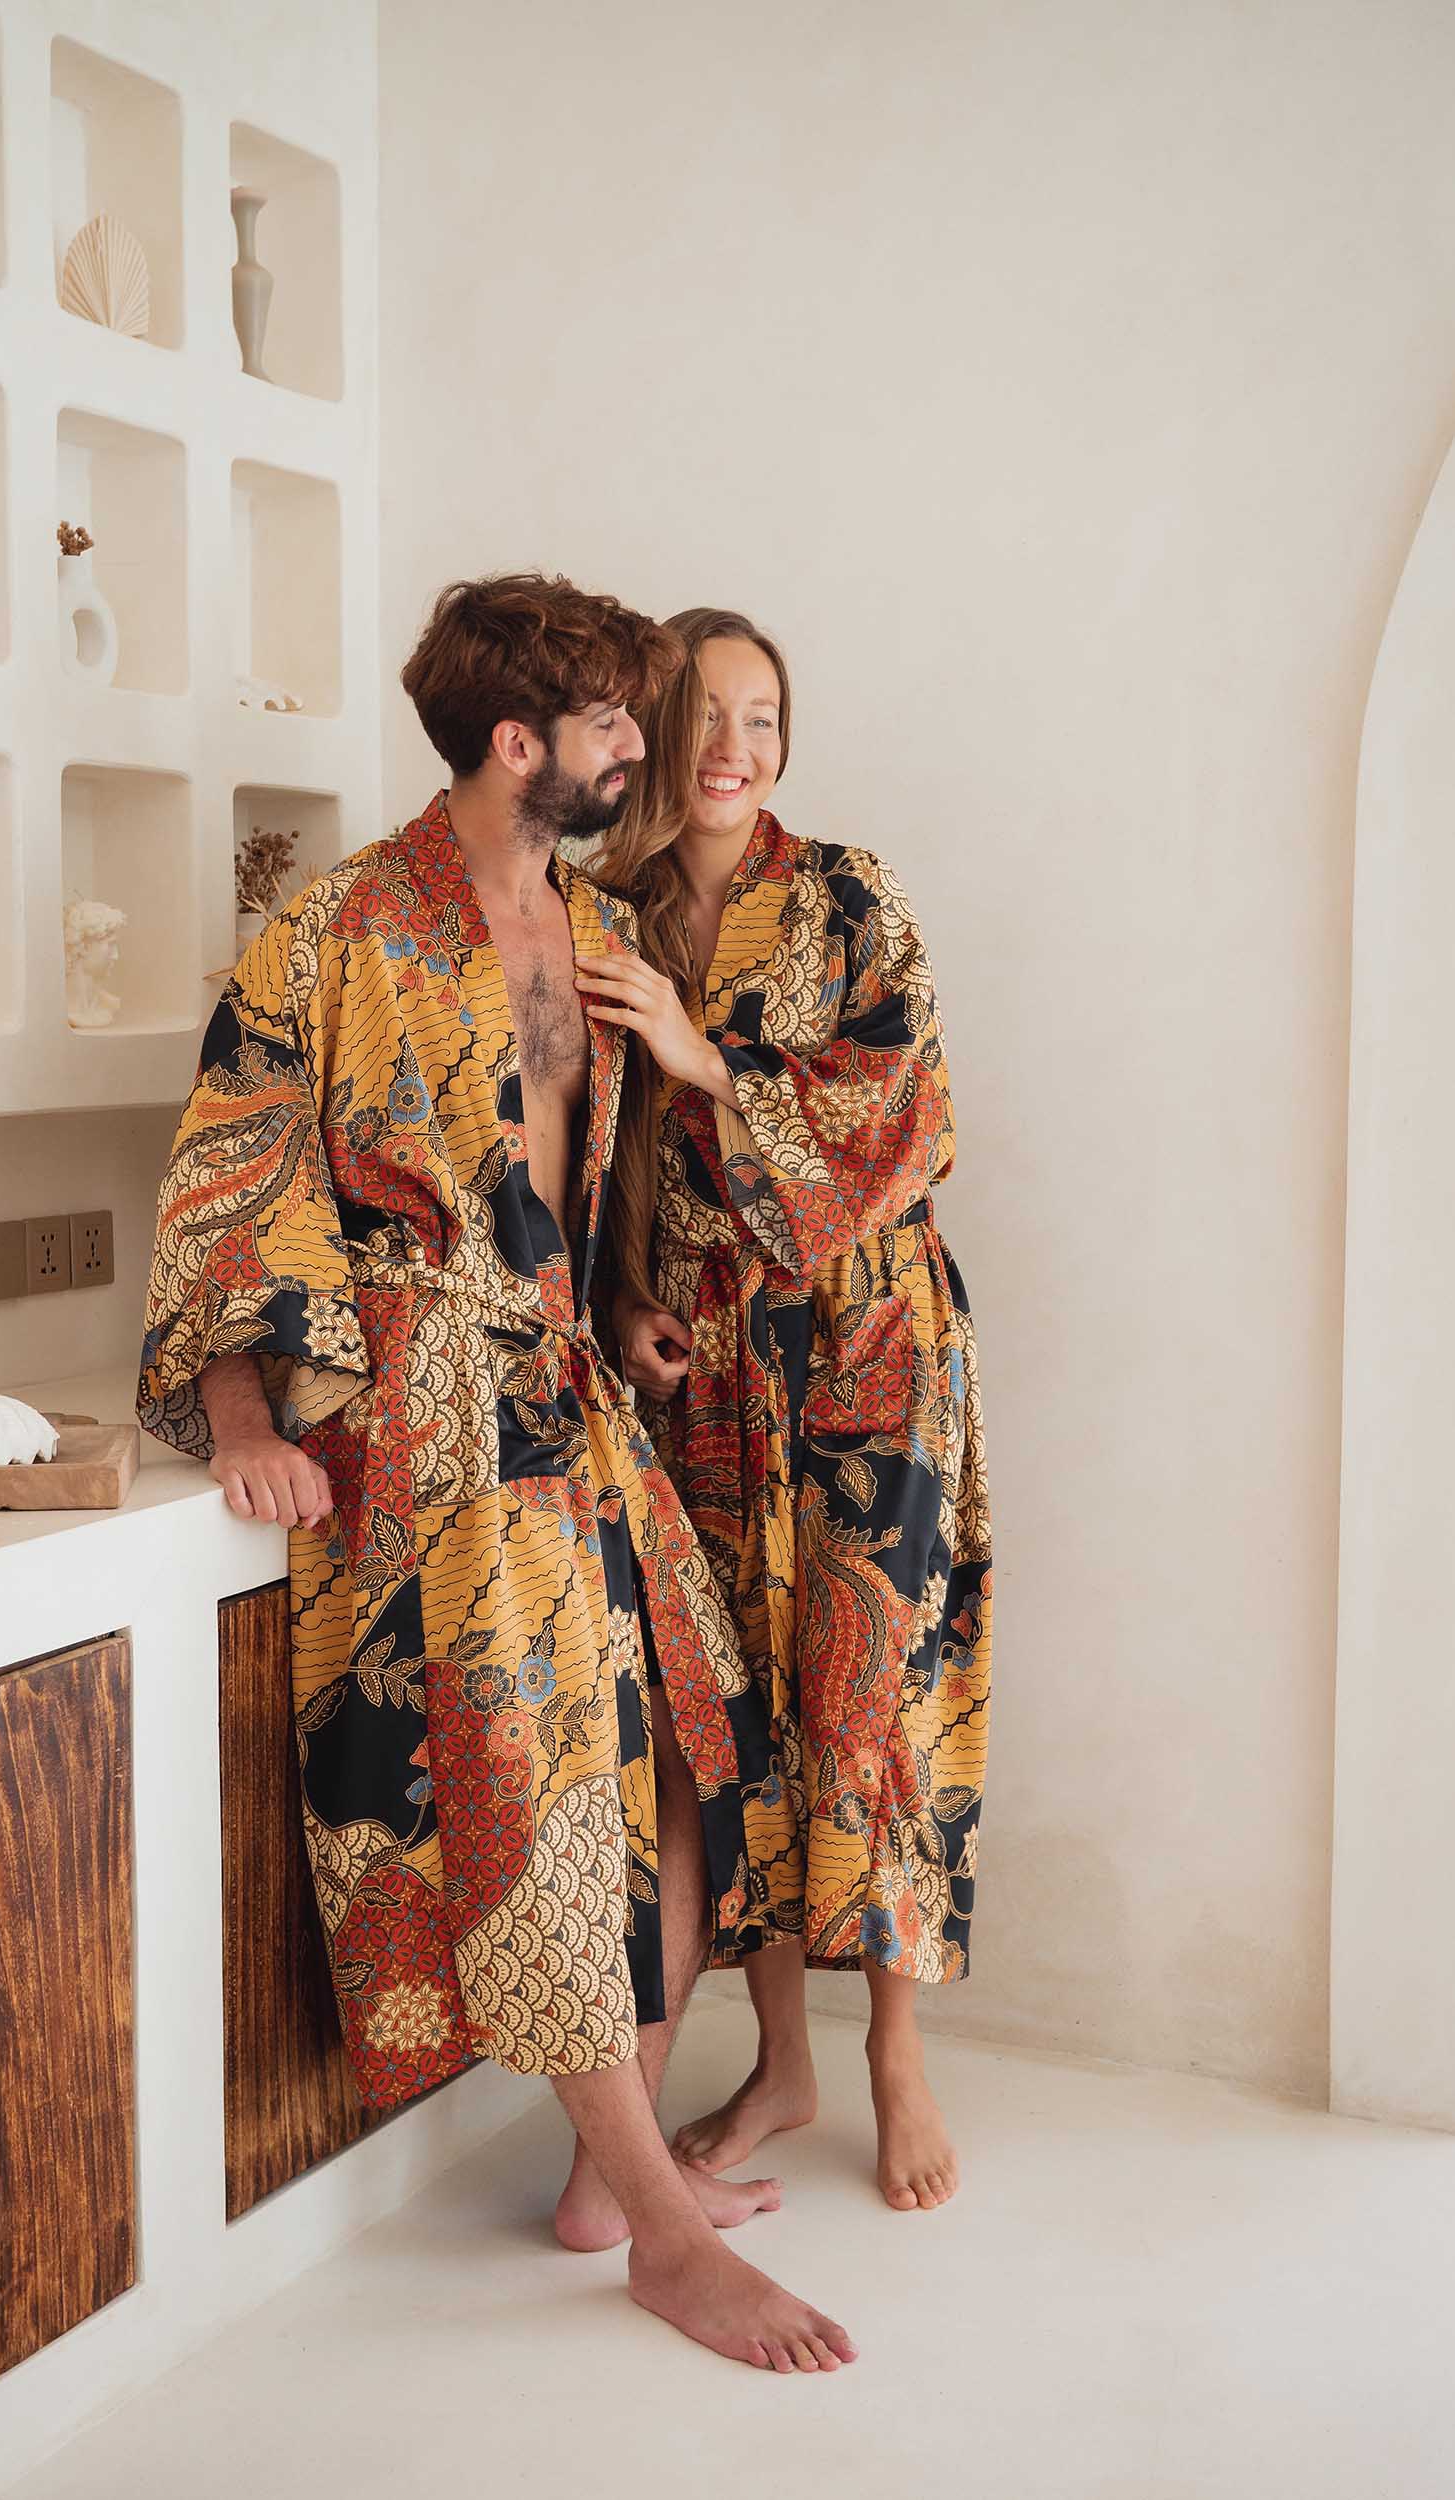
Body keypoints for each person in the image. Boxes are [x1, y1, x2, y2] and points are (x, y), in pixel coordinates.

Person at [138, 574, 857, 2372]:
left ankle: (609, 2179)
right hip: (421, 1409)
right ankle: (660, 2231)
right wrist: (241, 1422)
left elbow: (579, 1171)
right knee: (528, 1781)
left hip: (566, 1386)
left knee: (706, 1740)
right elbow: (230, 1169)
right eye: (621, 721)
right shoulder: (336, 933)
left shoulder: (593, 924)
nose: (653, 745)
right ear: (521, 743)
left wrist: (624, 1316)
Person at [578, 608, 993, 2214]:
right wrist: (623, 1309)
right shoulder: (599, 914)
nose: (739, 746)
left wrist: (703, 1060)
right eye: (707, 714)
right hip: (708, 1370)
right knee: (731, 1712)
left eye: (765, 715)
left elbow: (910, 1118)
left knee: (868, 1691)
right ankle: (782, 2063)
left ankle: (892, 2053)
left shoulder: (847, 896)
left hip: (871, 1352)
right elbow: (593, 1157)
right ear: (653, 738)